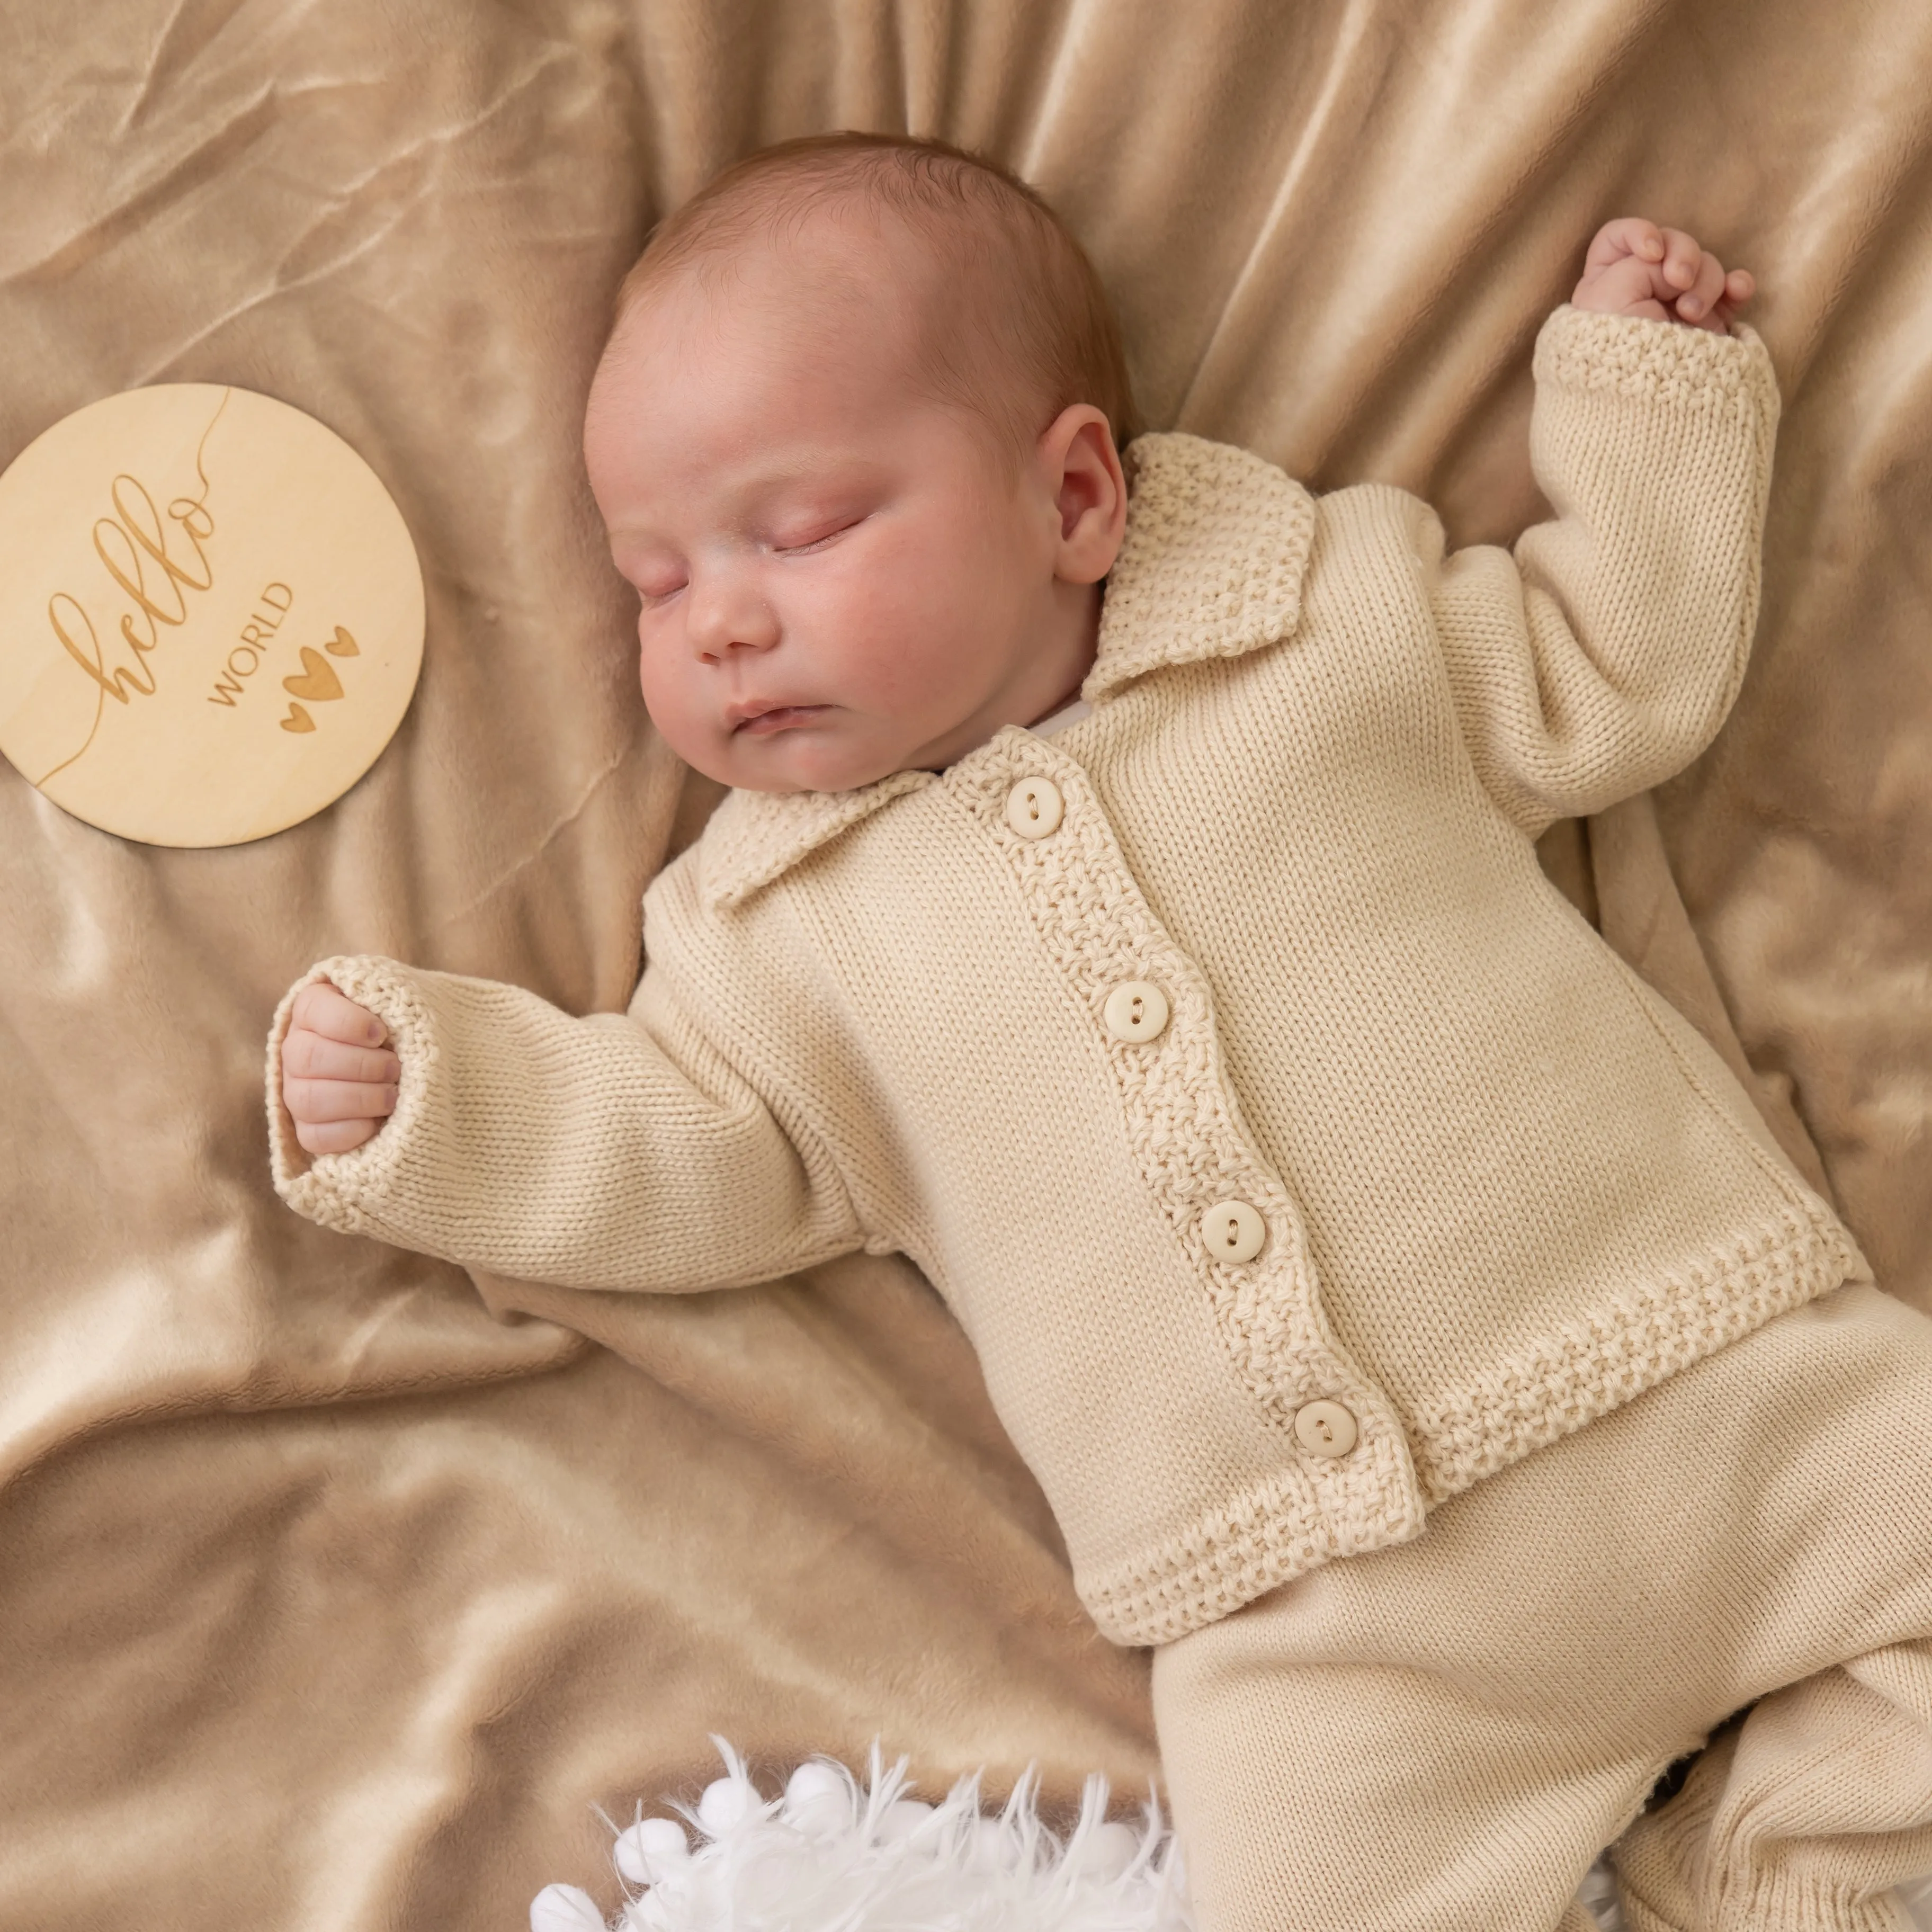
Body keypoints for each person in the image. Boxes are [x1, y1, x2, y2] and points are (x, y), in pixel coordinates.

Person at [266, 133, 1932, 1931]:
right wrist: (434, 1105)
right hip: (1331, 1630)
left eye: (801, 529)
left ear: (1072, 500)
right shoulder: (777, 942)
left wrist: (1642, 393)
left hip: (1724, 1385)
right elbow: (684, 1144)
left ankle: (1791, 1868)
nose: (721, 623)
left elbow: (1615, 662)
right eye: (655, 585)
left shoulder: (1325, 633)